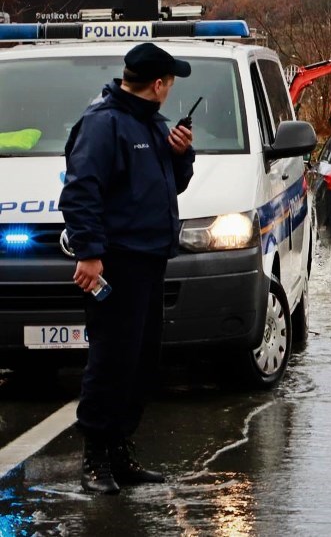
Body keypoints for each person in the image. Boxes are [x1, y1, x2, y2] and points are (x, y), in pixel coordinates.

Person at [60, 42, 195, 495]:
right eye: (170, 82)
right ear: (157, 84)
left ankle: (119, 452)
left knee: (141, 361)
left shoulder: (153, 125)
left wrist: (181, 156)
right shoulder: (104, 124)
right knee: (112, 360)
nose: (170, 90)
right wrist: (89, 253)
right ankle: (95, 459)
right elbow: (80, 191)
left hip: (151, 258)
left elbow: (169, 185)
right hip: (117, 261)